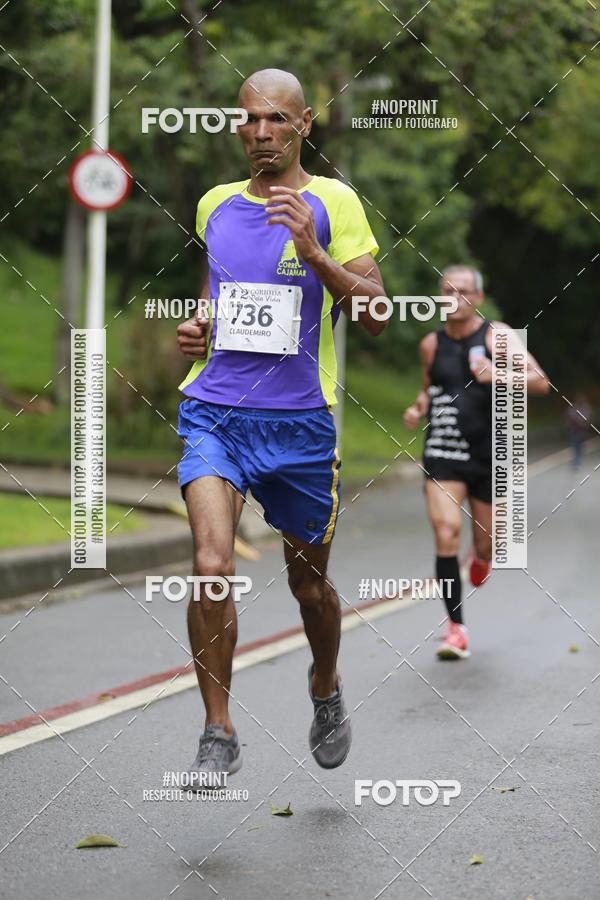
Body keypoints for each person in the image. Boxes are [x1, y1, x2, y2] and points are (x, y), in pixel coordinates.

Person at [175, 68, 386, 778]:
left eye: (276, 120)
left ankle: (325, 686)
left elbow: (378, 314)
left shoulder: (334, 201)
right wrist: (199, 325)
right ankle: (218, 730)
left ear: (304, 126)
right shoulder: (214, 205)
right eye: (249, 120)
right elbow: (217, 291)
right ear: (237, 126)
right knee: (210, 564)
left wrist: (318, 253)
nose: (260, 132)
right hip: (216, 413)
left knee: (308, 587)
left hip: (300, 424)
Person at [403, 265, 549, 659]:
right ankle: (456, 629)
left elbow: (540, 381)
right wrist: (418, 409)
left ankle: (481, 558)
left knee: (486, 545)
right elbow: (428, 390)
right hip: (443, 453)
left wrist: (496, 374)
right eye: (447, 290)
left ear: (478, 299)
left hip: (489, 458)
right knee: (446, 532)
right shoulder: (430, 344)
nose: (454, 297)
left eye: (463, 291)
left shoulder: (496, 336)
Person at [565, 393, 593, 470]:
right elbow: (571, 417)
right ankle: (576, 462)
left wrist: (584, 423)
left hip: (582, 431)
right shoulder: (573, 407)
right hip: (574, 431)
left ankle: (577, 461)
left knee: (580, 447)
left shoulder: (586, 407)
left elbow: (588, 417)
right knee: (575, 446)